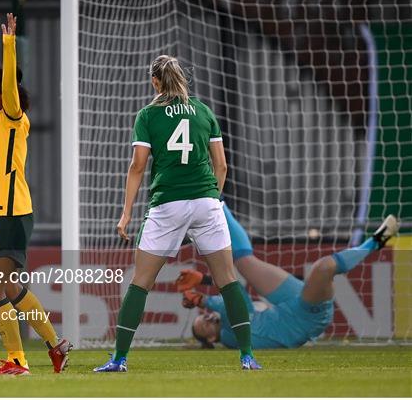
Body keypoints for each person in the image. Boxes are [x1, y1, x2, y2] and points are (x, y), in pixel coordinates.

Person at [94, 55, 261, 372]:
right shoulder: (203, 111)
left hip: (167, 203)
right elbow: (221, 165)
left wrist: (126, 213)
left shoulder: (148, 115)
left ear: (154, 82)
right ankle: (247, 356)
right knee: (228, 280)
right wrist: (212, 198)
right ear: (182, 79)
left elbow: (138, 166)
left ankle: (119, 359)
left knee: (141, 281)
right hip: (206, 201)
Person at [0, 8, 71, 375]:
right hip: (0, 213)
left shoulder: (11, 117)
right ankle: (56, 345)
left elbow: (2, 86)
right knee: (11, 288)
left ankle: (18, 361)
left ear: (3, 94)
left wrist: (8, 44)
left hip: (10, 213)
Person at [177, 203, 399, 349]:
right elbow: (233, 304)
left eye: (203, 315)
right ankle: (375, 242)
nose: (207, 317)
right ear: (212, 339)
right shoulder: (232, 338)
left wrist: (206, 282)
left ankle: (216, 201)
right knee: (323, 268)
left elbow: (238, 296)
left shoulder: (238, 322)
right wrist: (203, 299)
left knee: (245, 262)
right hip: (306, 317)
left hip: (286, 306)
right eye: (204, 325)